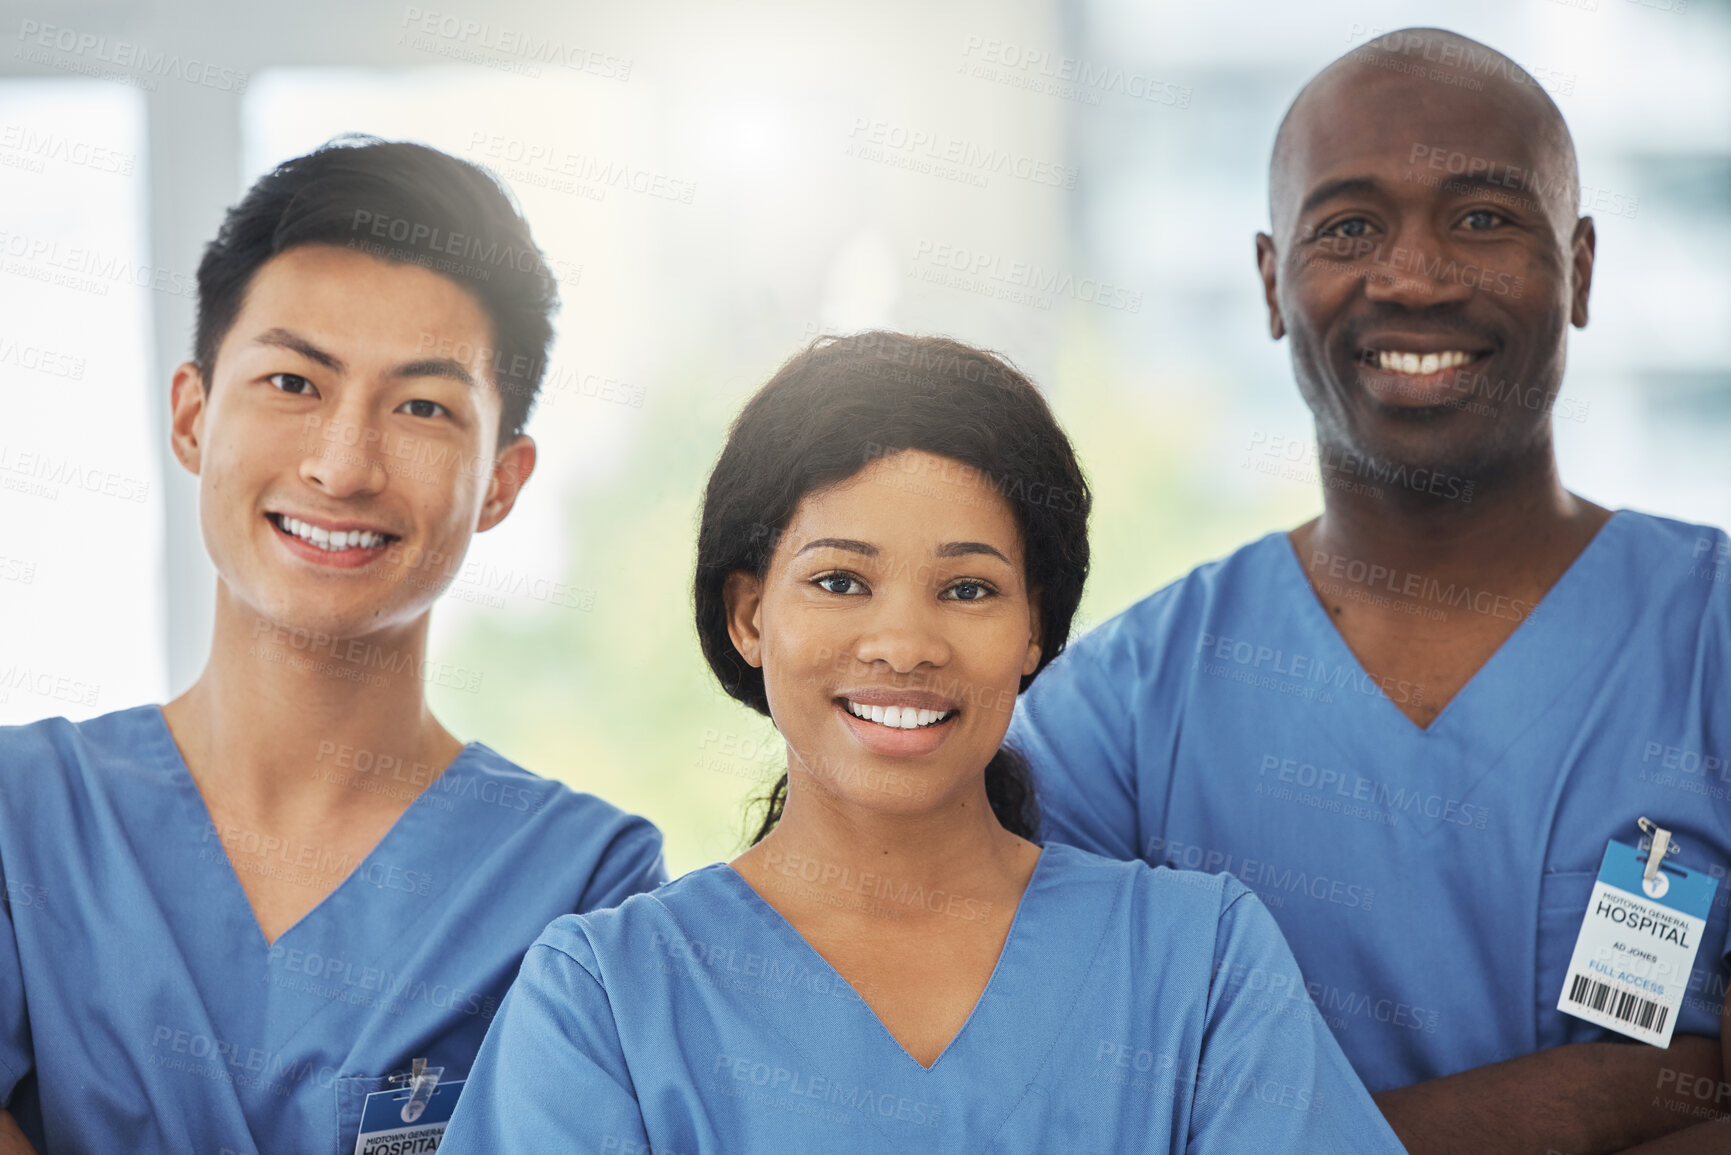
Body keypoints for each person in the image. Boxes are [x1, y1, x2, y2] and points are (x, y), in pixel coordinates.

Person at [1007, 27, 1731, 1155]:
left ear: (1580, 268)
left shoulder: (1712, 637)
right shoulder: (1121, 717)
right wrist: (1645, 1089)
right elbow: (1062, 1117)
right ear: (1271, 284)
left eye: (1484, 217)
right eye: (1348, 225)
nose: (1415, 275)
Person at [441, 331, 1404, 1153]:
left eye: (969, 589)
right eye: (839, 582)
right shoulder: (606, 1000)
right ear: (747, 616)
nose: (904, 644)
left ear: (1035, 628)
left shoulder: (1200, 964)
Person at [0, 138, 665, 1154]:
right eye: (292, 383)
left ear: (502, 481)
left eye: (423, 408)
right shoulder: (23, 820)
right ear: (191, 415)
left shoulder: (587, 887)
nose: (342, 466)